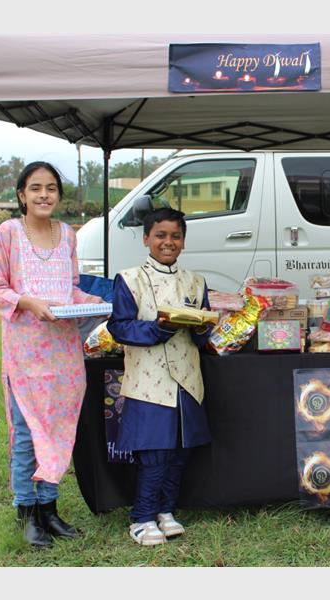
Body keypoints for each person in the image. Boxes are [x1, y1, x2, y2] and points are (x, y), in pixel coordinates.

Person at [0, 161, 105, 548]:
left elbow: (70, 290)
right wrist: (27, 301)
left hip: (63, 355)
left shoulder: (67, 234)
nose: (43, 195)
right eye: (35, 188)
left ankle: (50, 509)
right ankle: (27, 513)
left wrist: (98, 304)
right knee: (26, 435)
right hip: (25, 356)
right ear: (21, 194)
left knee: (58, 431)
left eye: (51, 188)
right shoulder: (8, 233)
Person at [107, 207, 212, 546]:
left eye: (176, 236)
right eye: (161, 235)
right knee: (155, 452)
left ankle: (165, 511)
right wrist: (158, 327)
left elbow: (200, 335)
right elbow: (119, 326)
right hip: (149, 379)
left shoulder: (196, 281)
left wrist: (204, 327)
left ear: (183, 241)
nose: (168, 242)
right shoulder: (129, 278)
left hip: (187, 377)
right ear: (146, 239)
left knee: (180, 450)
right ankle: (141, 516)